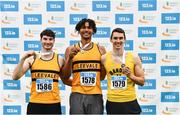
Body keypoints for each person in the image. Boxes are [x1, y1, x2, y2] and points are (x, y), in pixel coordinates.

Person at [12, 29, 71, 114]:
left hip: (53, 104)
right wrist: (23, 59)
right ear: (40, 40)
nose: (47, 42)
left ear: (54, 41)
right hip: (35, 103)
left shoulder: (60, 59)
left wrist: (79, 85)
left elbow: (65, 79)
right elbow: (15, 77)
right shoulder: (32, 58)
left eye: (50, 39)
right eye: (45, 39)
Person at [62, 18, 106, 114]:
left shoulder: (101, 50)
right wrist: (69, 58)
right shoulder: (70, 49)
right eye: (83, 28)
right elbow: (65, 77)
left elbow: (102, 77)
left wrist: (103, 66)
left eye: (89, 28)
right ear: (78, 30)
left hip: (95, 94)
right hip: (77, 94)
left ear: (93, 31)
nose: (86, 30)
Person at [101, 28, 145, 114]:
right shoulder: (104, 58)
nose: (118, 41)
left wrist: (131, 76)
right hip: (112, 102)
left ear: (124, 40)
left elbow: (142, 81)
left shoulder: (134, 58)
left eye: (121, 38)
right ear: (111, 40)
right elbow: (100, 77)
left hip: (130, 101)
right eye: (115, 38)